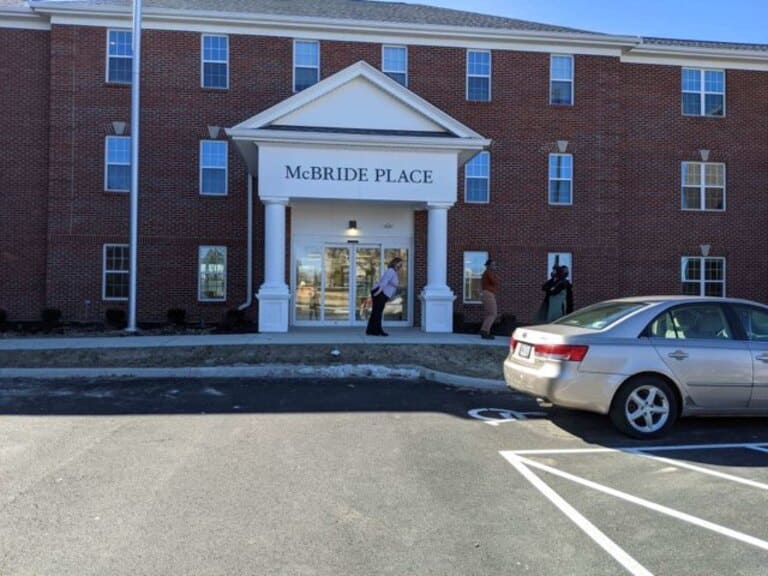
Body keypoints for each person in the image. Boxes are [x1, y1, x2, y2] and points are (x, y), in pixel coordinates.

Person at [366, 257, 402, 336]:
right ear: (395, 263)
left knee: (376, 312)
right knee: (378, 313)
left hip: (382, 293)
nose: (400, 265)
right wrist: (378, 292)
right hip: (380, 293)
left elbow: (390, 283)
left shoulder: (393, 272)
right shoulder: (390, 271)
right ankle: (378, 331)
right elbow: (384, 282)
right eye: (399, 263)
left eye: (401, 264)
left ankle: (370, 330)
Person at [479, 258, 499, 339]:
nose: (495, 266)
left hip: (487, 293)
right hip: (488, 294)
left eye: (495, 264)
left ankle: (485, 331)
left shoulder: (488, 273)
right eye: (493, 264)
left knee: (489, 314)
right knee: (493, 314)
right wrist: (496, 277)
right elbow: (494, 282)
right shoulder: (488, 272)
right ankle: (485, 331)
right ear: (489, 266)